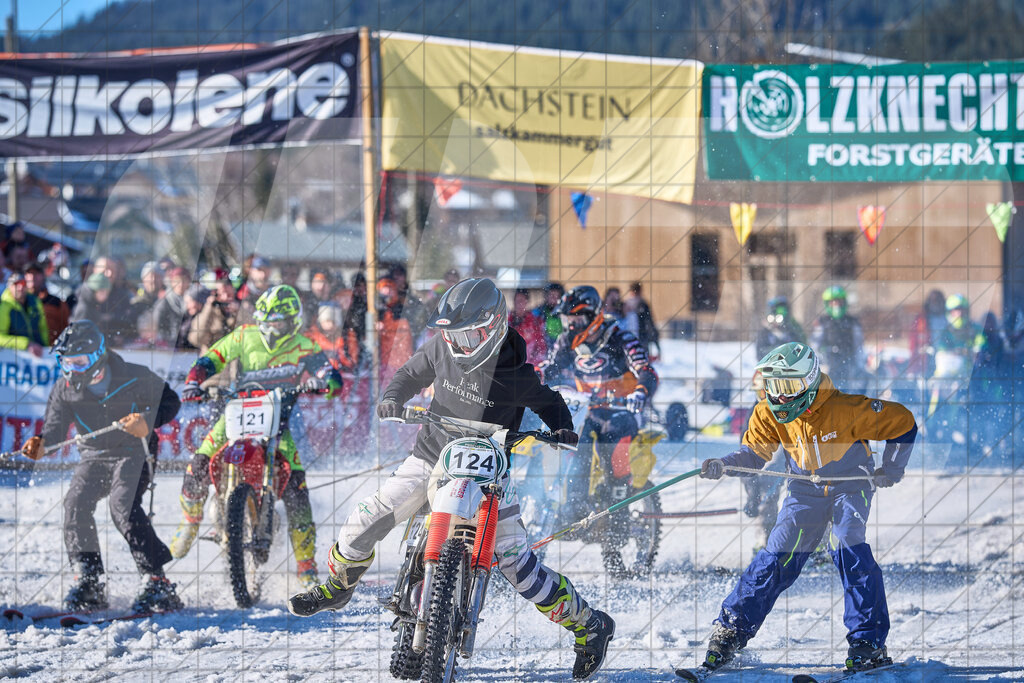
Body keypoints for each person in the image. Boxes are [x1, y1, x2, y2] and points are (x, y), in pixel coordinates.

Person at [287, 277, 615, 681]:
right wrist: (393, 398)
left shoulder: (515, 372)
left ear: (493, 327)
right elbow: (409, 373)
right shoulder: (442, 348)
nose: (459, 344)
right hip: (429, 457)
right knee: (364, 521)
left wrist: (563, 431)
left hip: (490, 474)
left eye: (468, 334)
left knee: (520, 568)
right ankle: (338, 586)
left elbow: (551, 403)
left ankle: (589, 625)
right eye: (453, 335)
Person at [689, 341, 917, 673]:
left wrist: (892, 469)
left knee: (847, 540)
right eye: (774, 387)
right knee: (779, 551)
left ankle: (868, 642)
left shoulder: (847, 408)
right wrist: (724, 465)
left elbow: (904, 423)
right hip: (804, 489)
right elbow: (754, 455)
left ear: (809, 383)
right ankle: (731, 630)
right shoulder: (768, 410)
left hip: (849, 485)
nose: (780, 397)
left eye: (789, 387)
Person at [167, 284, 343, 589]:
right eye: (268, 321)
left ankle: (306, 566)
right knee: (197, 465)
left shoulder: (304, 345)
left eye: (279, 322)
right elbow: (211, 359)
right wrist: (194, 381)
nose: (272, 328)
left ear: (292, 321)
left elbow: (331, 374)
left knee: (297, 490)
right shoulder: (244, 336)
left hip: (278, 424)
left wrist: (325, 383)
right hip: (235, 412)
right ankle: (189, 523)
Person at [19, 320, 183, 613]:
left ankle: (157, 580)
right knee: (75, 504)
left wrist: (148, 419)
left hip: (134, 451)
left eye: (79, 362)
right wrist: (41, 443)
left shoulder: (134, 376)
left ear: (97, 357)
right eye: (67, 363)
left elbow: (170, 401)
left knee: (123, 506)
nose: (73, 370)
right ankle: (89, 579)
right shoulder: (65, 389)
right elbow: (55, 431)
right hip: (94, 455)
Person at [539, 285, 658, 523]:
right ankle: (574, 506)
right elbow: (550, 366)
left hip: (622, 411)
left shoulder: (621, 338)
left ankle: (618, 518)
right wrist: (534, 376)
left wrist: (640, 393)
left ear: (592, 317)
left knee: (610, 445)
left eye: (576, 320)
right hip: (586, 411)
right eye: (567, 320)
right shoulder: (567, 341)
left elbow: (645, 370)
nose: (571, 326)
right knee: (570, 444)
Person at [809, 285, 868, 393]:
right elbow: (814, 346)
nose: (836, 306)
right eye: (833, 302)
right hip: (828, 365)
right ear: (827, 304)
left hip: (848, 365)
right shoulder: (822, 323)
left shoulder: (852, 322)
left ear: (844, 303)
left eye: (839, 302)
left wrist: (859, 366)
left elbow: (859, 346)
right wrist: (820, 364)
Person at [0, 270, 48, 356]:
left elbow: (43, 330)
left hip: (39, 358)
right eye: (16, 284)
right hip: (14, 361)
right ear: (9, 287)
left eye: (22, 283)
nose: (20, 287)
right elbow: (1, 338)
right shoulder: (4, 306)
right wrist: (26, 344)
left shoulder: (35, 302)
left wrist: (45, 348)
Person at [25, 264, 70, 343]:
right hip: (27, 349)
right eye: (29, 274)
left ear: (43, 276)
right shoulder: (19, 302)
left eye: (36, 274)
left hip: (51, 350)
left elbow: (66, 327)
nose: (32, 277)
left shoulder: (57, 302)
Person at [755, 295, 806, 360]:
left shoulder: (793, 329)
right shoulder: (765, 332)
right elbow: (760, 353)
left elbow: (800, 348)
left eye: (781, 311)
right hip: (769, 366)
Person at [509, 287, 548, 365]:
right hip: (510, 365)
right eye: (517, 301)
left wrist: (532, 364)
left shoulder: (536, 322)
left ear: (527, 302)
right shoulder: (506, 321)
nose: (519, 304)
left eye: (522, 301)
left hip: (528, 365)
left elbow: (541, 347)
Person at [624, 281, 661, 361]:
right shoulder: (631, 304)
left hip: (640, 336)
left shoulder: (631, 304)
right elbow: (649, 321)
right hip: (637, 336)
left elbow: (648, 321)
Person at [534, 281, 564, 348]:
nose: (553, 299)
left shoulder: (566, 313)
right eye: (551, 295)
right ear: (546, 297)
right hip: (543, 346)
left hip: (562, 346)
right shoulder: (539, 312)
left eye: (556, 296)